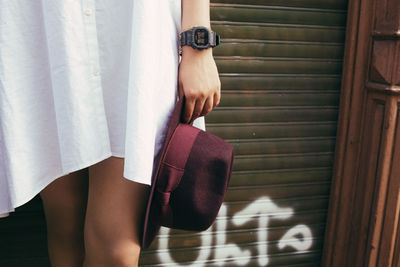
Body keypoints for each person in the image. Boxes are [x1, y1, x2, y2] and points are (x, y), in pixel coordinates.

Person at [0, 0, 221, 266]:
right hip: (47, 25)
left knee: (116, 248)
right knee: (66, 231)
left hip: (133, 31)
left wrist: (198, 44)